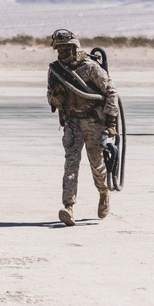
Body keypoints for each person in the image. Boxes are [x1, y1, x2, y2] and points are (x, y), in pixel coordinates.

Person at [46, 29, 119, 226]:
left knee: (97, 163)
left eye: (65, 48)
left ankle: (104, 193)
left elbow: (111, 92)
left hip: (94, 122)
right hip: (72, 123)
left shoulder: (90, 67)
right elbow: (49, 95)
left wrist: (111, 122)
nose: (62, 52)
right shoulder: (55, 69)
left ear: (74, 47)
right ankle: (68, 206)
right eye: (58, 48)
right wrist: (55, 99)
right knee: (70, 164)